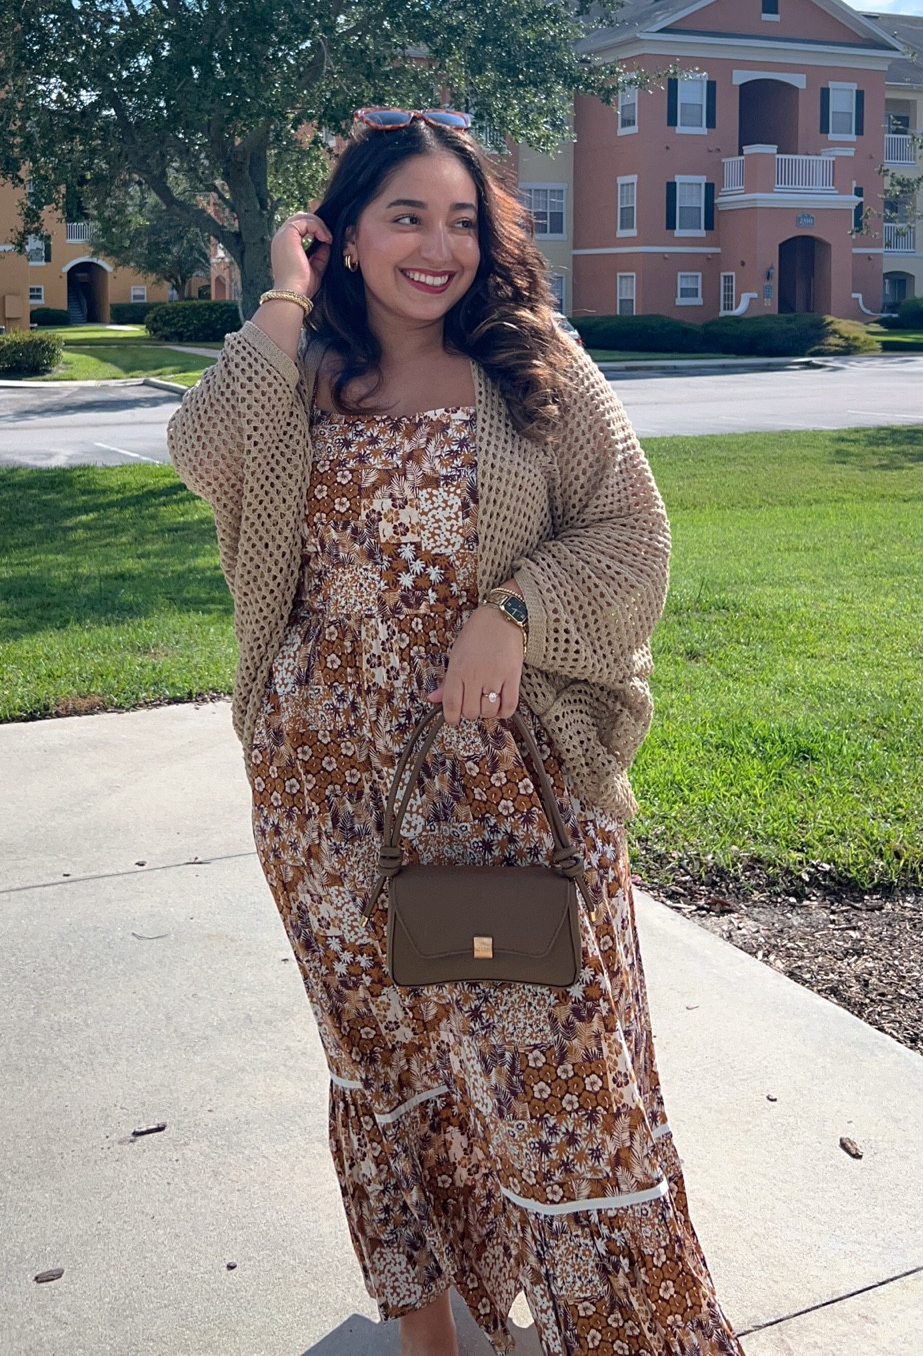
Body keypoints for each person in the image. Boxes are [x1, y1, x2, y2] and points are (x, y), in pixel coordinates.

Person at [167, 112, 744, 1356]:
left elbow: (632, 534)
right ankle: (432, 1330)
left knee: (565, 1088)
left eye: (464, 219)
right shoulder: (299, 371)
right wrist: (279, 298)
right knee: (384, 1069)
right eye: (407, 216)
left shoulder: (532, 365)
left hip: (502, 790)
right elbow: (198, 451)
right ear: (347, 233)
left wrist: (514, 611)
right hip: (322, 791)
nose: (439, 246)